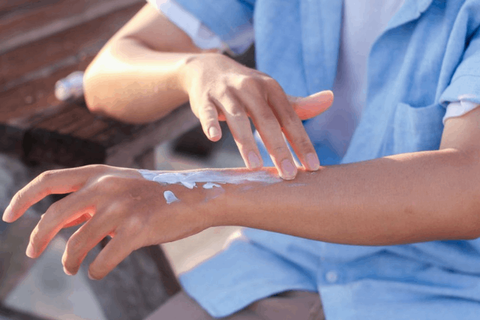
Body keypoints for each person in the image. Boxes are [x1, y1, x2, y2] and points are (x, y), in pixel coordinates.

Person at [4, 0, 480, 319]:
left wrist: (204, 194)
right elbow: (110, 73)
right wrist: (193, 70)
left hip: (445, 291)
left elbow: (466, 186)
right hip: (276, 267)